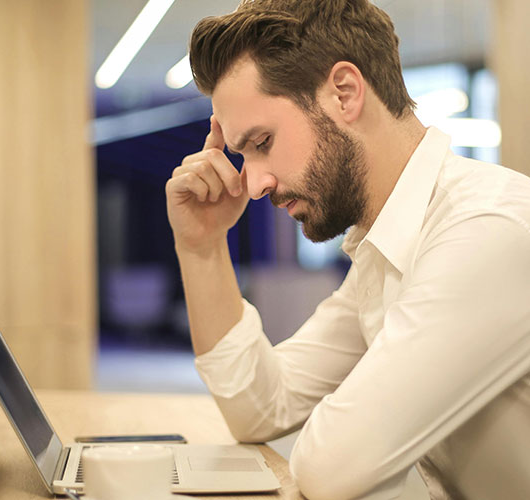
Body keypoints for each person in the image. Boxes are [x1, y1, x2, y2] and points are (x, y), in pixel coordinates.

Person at [164, 1, 530, 499]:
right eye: (242, 155)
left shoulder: (487, 228)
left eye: (263, 142)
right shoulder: (386, 251)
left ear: (345, 92)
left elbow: (332, 468)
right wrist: (202, 245)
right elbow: (261, 408)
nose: (253, 185)